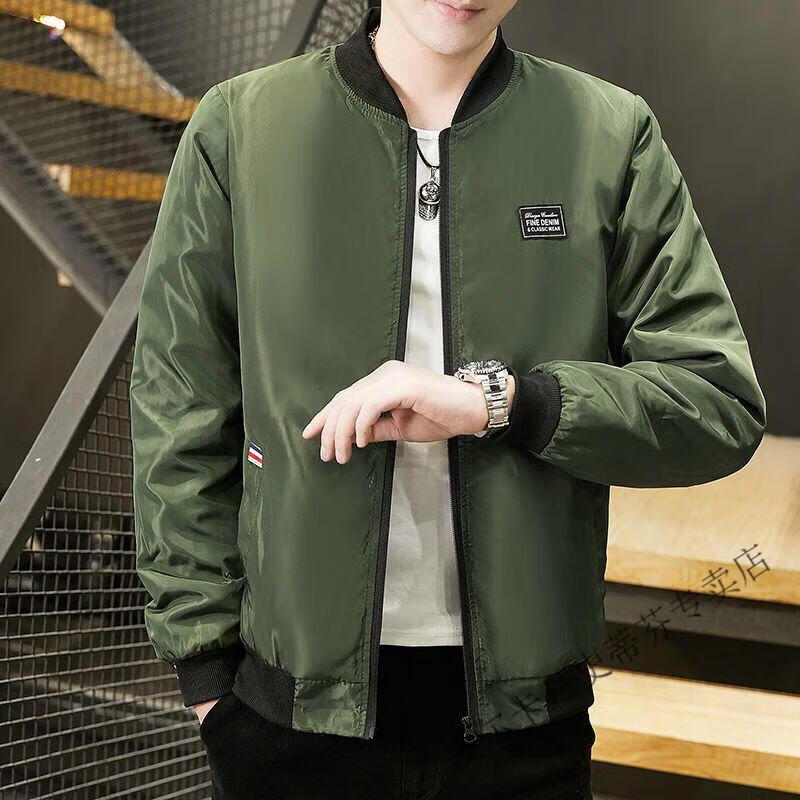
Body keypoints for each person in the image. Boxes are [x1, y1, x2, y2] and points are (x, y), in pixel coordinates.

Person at [129, 2, 766, 798]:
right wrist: (205, 675)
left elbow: (717, 399)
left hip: (522, 731)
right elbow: (180, 404)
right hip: (287, 719)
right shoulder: (242, 127)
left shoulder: (608, 134)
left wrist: (504, 404)